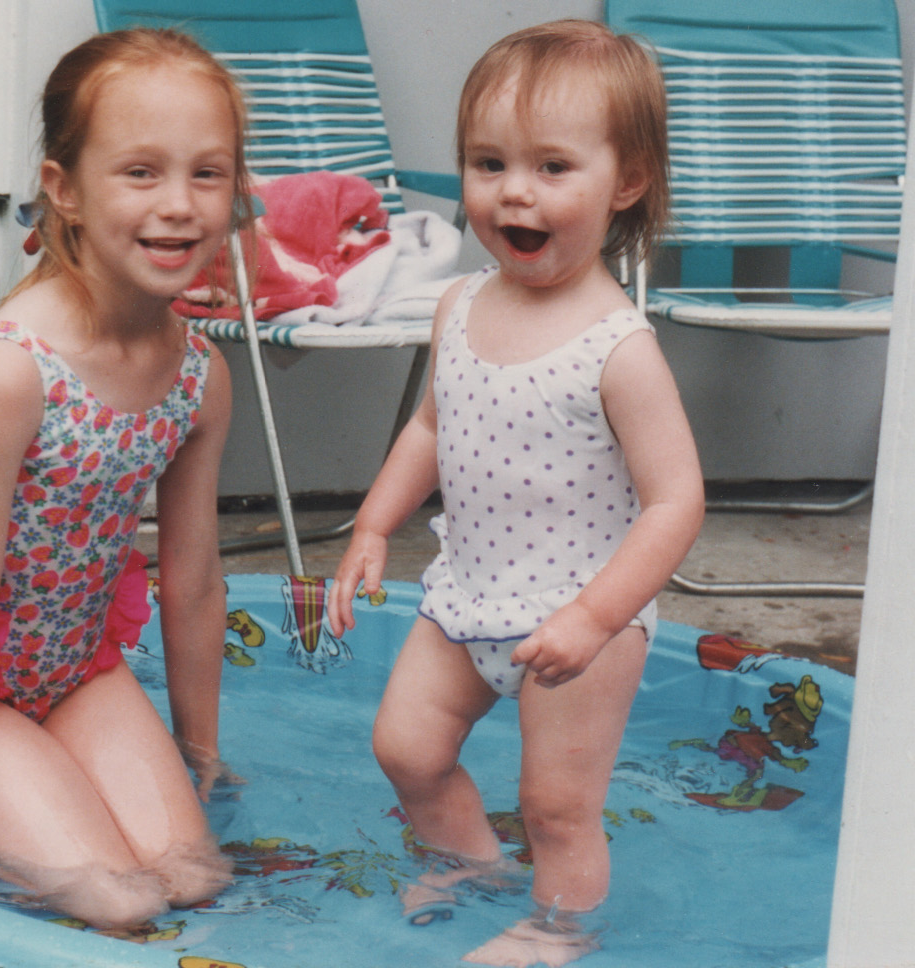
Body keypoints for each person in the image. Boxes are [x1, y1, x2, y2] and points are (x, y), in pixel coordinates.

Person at [327, 20, 704, 968]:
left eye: (551, 167)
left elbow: (676, 502)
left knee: (558, 806)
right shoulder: (459, 305)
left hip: (581, 618)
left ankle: (559, 929)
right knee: (406, 747)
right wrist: (374, 522)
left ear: (626, 182)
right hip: (467, 594)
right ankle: (468, 862)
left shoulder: (618, 348)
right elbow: (430, 427)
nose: (514, 192)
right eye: (488, 163)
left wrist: (595, 617)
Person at [0, 27, 251, 930]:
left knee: (193, 877)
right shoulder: (15, 373)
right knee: (119, 903)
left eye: (207, 173)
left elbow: (194, 581)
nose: (179, 205)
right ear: (64, 190)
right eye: (141, 172)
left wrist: (200, 753)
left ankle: (18, 764)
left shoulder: (199, 378)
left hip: (74, 665)